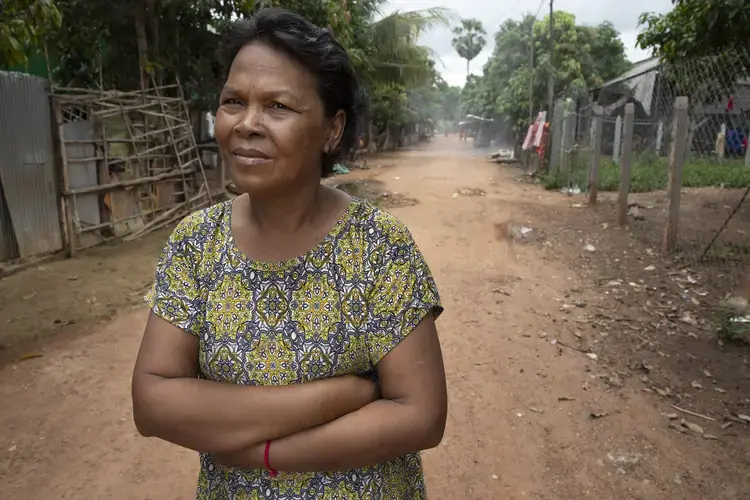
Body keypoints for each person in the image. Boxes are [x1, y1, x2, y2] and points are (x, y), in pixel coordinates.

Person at [131, 8, 447, 499]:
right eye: (233, 101)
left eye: (278, 106)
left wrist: (265, 455)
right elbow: (153, 402)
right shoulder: (195, 244)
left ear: (331, 129)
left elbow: (421, 417)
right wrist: (340, 394)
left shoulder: (380, 248)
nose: (247, 124)